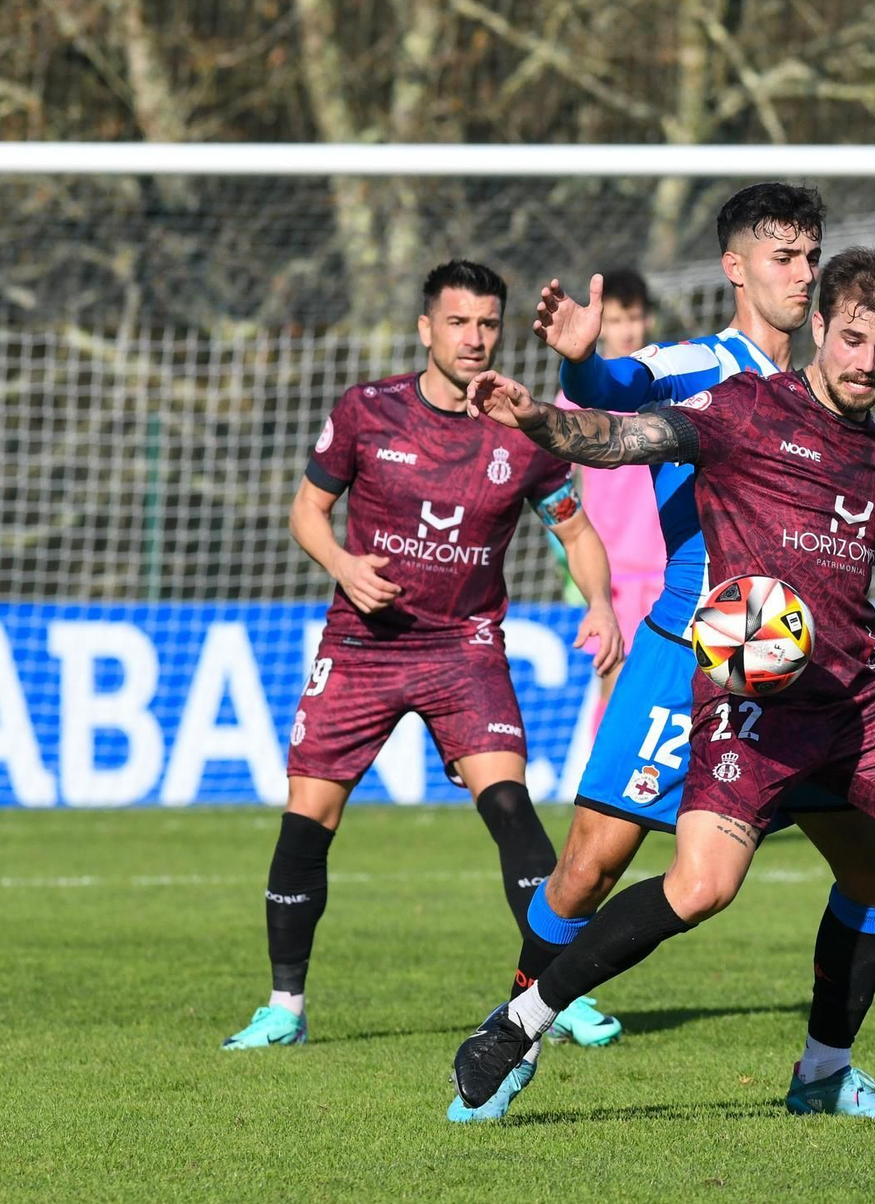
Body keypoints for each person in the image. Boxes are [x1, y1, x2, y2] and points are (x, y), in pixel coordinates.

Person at [452, 247, 875, 1117]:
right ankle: (520, 1021)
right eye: (851, 338)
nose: (865, 362)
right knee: (700, 886)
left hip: (851, 699)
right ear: (818, 326)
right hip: (752, 699)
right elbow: (625, 437)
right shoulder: (744, 408)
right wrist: (539, 420)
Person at [221, 259, 625, 1052]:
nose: (474, 339)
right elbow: (308, 510)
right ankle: (284, 1007)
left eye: (486, 324)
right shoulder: (368, 411)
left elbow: (574, 530)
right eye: (457, 322)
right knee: (310, 818)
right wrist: (343, 566)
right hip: (363, 643)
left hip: (464, 646)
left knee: (511, 807)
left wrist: (602, 604)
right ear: (425, 330)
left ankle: (557, 993)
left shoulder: (524, 427)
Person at [562, 268, 666, 714]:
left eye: (635, 318)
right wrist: (566, 557)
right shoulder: (573, 400)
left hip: (671, 571)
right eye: (618, 319)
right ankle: (600, 783)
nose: (628, 330)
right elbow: (553, 487)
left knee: (672, 697)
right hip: (613, 577)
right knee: (617, 692)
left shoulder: (668, 388)